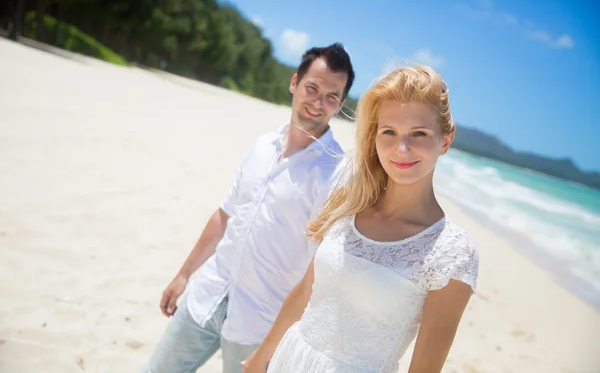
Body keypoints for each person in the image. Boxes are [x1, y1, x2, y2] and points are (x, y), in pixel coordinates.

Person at [242, 64, 480, 373]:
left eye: (418, 134)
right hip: (289, 361)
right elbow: (305, 292)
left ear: (445, 141)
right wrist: (262, 354)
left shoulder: (453, 253)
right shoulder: (350, 203)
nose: (401, 149)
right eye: (389, 132)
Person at [140, 43, 355, 373]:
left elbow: (320, 268)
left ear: (340, 104)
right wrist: (184, 274)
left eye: (331, 96)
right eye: (312, 88)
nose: (318, 102)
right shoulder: (261, 145)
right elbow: (225, 216)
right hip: (208, 294)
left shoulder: (335, 172)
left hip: (260, 323)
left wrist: (278, 344)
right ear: (295, 83)